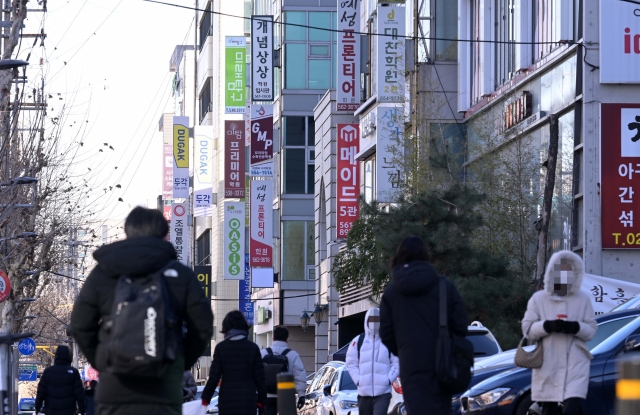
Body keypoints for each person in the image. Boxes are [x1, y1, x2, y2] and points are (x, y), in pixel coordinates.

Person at [70, 206, 214, 415]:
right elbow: (202, 327)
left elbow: (80, 324)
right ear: (165, 236)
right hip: (164, 388)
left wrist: (104, 361)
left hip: (114, 386)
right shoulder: (181, 275)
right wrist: (176, 362)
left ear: (128, 232)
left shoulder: (104, 273)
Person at [379, 236, 468, 415]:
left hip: (411, 367)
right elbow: (461, 326)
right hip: (442, 365)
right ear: (426, 255)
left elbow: (386, 333)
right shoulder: (444, 287)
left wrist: (404, 349)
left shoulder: (391, 292)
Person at [522, 250, 597, 415]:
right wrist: (547, 326)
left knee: (572, 408)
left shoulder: (582, 300)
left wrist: (576, 328)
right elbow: (527, 329)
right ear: (552, 274)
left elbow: (591, 330)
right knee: (549, 410)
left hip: (576, 363)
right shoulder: (539, 299)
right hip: (548, 363)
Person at [201, 311, 267, 415]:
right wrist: (262, 402)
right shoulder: (253, 348)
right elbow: (260, 379)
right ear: (244, 327)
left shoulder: (221, 348)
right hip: (248, 401)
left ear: (226, 327)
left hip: (227, 401)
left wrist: (205, 398)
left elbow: (214, 377)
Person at [346, 307, 399, 415]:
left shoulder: (389, 341)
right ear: (367, 321)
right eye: (372, 320)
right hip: (364, 394)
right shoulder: (358, 341)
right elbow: (351, 362)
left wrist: (389, 379)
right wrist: (358, 380)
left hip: (383, 393)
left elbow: (397, 362)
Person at [260, 326, 307, 415]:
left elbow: (257, 374)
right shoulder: (293, 355)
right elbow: (299, 375)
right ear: (287, 339)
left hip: (267, 396)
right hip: (286, 396)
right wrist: (301, 395)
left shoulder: (263, 353)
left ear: (273, 338)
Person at [35, 345, 86, 415]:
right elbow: (79, 393)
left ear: (56, 356)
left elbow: (41, 391)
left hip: (51, 411)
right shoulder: (74, 372)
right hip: (68, 411)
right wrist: (82, 408)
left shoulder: (48, 371)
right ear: (69, 357)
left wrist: (37, 407)